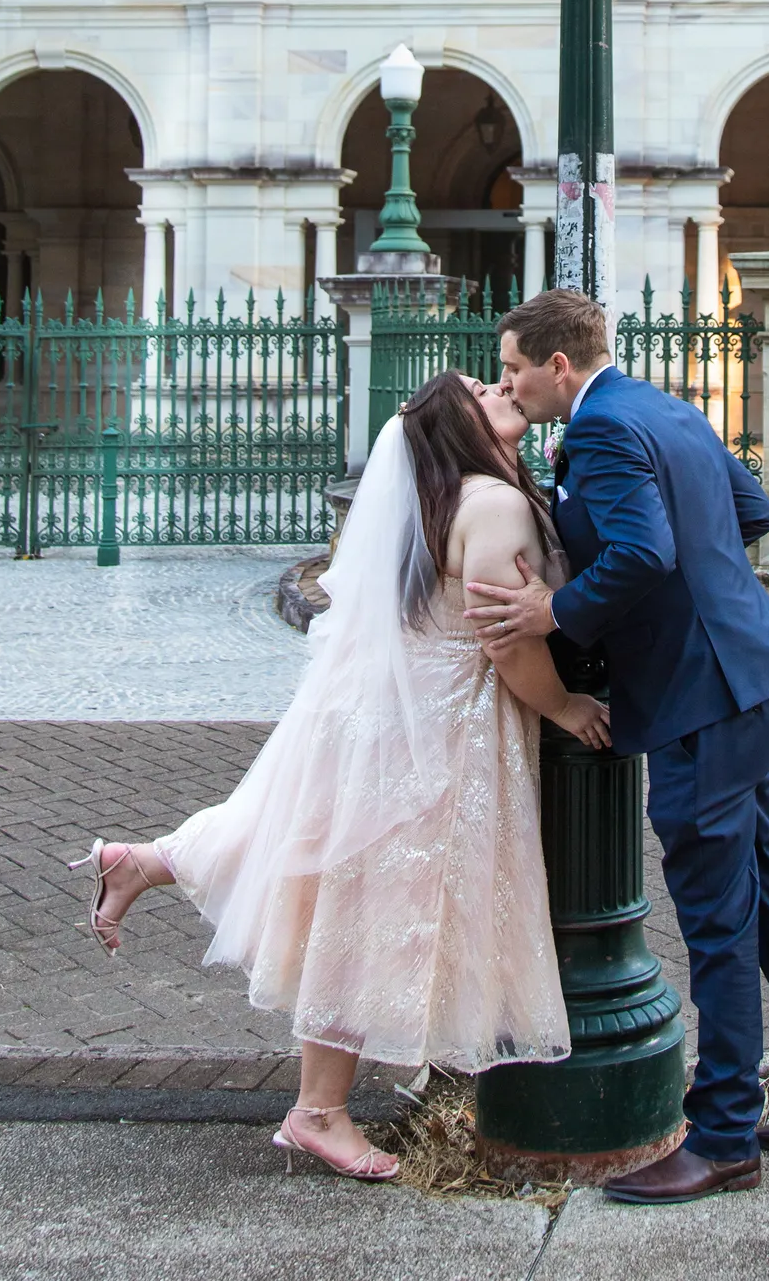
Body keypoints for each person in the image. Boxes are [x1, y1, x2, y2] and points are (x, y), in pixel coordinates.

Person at [66, 370, 608, 1183]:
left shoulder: (433, 500)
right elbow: (505, 640)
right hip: (437, 725)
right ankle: (318, 1111)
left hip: (380, 712)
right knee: (373, 905)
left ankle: (147, 862)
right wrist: (564, 707)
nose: (502, 386)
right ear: (462, 427)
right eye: (482, 390)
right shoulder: (490, 505)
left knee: (320, 861)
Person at [467, 287, 769, 1206]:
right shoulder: (665, 407)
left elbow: (642, 552)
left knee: (717, 917)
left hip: (705, 699)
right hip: (758, 672)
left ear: (557, 365)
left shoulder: (601, 432)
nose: (508, 383)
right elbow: (749, 511)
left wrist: (558, 609)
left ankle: (723, 1137)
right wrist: (698, 592)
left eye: (512, 367)